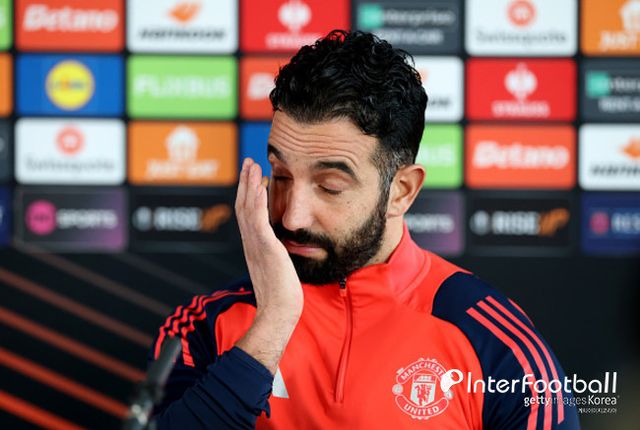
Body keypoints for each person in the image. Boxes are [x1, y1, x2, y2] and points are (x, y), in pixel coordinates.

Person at [149, 30, 580, 429]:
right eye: (280, 175)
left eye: (330, 186)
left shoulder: (496, 347)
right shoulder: (205, 324)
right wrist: (273, 322)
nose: (293, 217)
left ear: (402, 192)